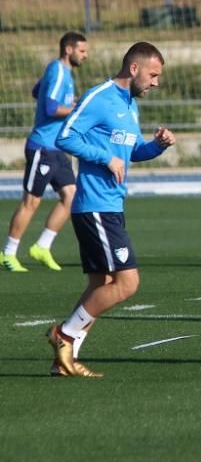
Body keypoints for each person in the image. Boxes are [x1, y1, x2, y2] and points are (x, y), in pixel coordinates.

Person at [47, 42, 175, 377]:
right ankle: (64, 336)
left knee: (99, 284)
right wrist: (105, 157)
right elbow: (65, 137)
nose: (156, 82)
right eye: (153, 74)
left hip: (111, 205)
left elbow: (132, 153)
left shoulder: (131, 106)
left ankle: (65, 361)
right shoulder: (99, 96)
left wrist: (156, 147)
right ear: (134, 68)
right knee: (127, 282)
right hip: (94, 206)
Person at [3, 32, 89, 273]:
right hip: (42, 147)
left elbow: (36, 91)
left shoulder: (63, 74)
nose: (86, 55)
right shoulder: (58, 70)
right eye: (82, 51)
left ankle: (42, 246)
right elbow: (51, 107)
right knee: (31, 202)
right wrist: (76, 109)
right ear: (68, 50)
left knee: (72, 197)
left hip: (58, 149)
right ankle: (8, 252)